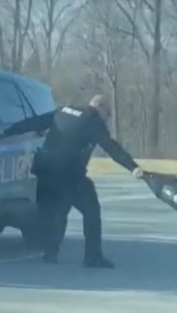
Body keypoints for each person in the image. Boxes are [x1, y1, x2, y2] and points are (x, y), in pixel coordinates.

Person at [0, 95, 145, 268]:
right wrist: (133, 167)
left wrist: (6, 132)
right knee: (91, 210)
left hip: (44, 170)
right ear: (102, 108)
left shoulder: (63, 110)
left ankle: (50, 253)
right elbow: (110, 146)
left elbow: (34, 123)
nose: (108, 118)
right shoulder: (92, 120)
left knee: (57, 211)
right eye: (109, 114)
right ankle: (93, 256)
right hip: (68, 174)